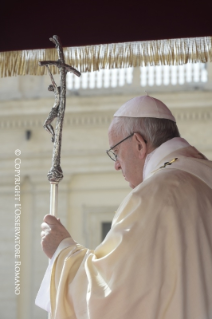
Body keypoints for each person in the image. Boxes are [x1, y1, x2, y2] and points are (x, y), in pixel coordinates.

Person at [35, 95, 212, 319]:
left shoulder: (153, 196)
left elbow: (109, 295)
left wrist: (61, 251)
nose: (117, 165)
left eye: (116, 152)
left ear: (139, 144)